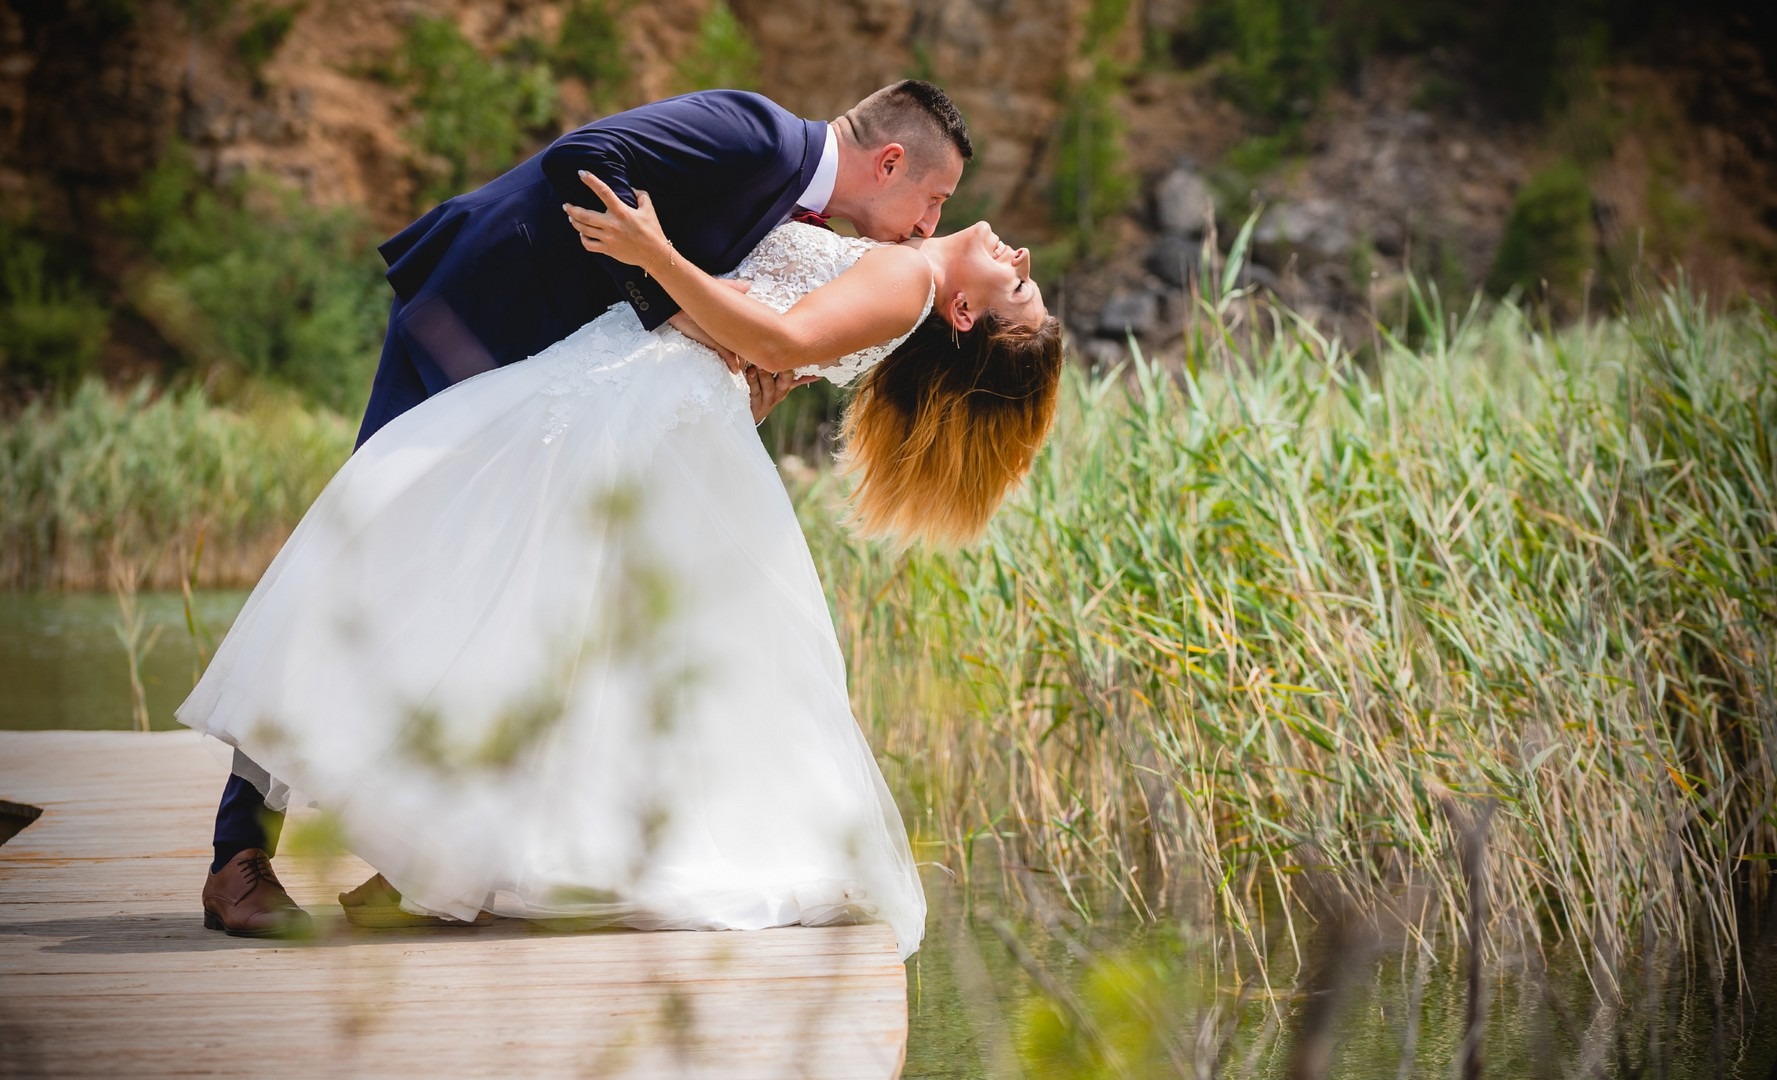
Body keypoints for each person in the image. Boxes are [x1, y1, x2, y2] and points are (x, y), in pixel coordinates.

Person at [180, 172, 1062, 957]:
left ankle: (423, 858)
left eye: (1018, 287)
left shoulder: (909, 280)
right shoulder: (894, 258)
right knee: (546, 633)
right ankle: (435, 860)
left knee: (476, 596)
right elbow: (773, 332)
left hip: (634, 410)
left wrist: (656, 259)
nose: (1020, 256)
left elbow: (780, 341)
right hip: (629, 393)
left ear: (963, 315)